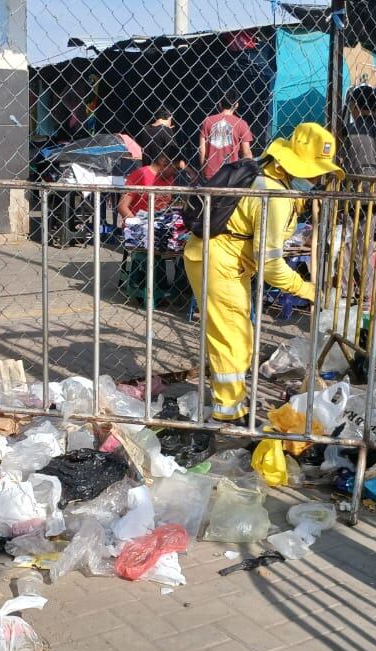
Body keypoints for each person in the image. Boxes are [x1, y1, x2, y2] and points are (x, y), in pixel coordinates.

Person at [183, 123, 344, 423]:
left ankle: (233, 404)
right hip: (218, 259)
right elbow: (270, 265)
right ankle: (228, 415)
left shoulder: (267, 176)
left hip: (226, 259)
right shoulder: (275, 195)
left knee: (240, 336)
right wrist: (307, 290)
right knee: (229, 338)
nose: (319, 179)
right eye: (315, 172)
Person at [338, 85, 376, 177]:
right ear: (375, 107)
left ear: (354, 106)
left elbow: (340, 158)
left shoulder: (348, 130)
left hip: (354, 184)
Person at [199, 92, 253, 180]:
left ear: (220, 104)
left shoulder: (208, 121)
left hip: (210, 172)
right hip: (231, 174)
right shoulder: (241, 124)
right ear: (236, 105)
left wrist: (202, 169)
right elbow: (247, 153)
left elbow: (202, 149)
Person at [118, 149, 176, 221]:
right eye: (174, 168)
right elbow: (122, 207)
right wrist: (137, 224)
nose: (175, 172)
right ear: (164, 163)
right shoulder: (140, 174)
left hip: (160, 222)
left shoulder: (169, 178)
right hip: (138, 224)